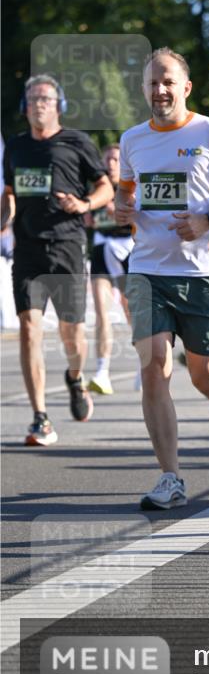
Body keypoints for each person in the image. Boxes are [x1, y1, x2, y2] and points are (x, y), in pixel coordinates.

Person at [115, 48, 209, 509]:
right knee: (154, 366)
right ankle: (170, 477)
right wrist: (123, 210)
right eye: (152, 83)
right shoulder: (133, 139)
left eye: (168, 82)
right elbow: (127, 193)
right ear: (144, 89)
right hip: (147, 269)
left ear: (185, 87)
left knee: (205, 375)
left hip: (201, 273)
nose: (160, 90)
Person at [1, 75, 114, 445]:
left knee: (72, 333)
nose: (38, 105)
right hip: (28, 249)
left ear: (58, 105)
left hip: (66, 245)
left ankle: (76, 378)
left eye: (46, 99)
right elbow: (10, 194)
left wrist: (83, 204)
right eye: (32, 99)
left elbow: (105, 186)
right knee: (30, 329)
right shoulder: (15, 147)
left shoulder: (77, 142)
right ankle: (40, 418)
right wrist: (3, 220)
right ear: (24, 107)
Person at [87, 143, 134, 395]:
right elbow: (88, 220)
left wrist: (119, 212)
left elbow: (141, 217)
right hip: (102, 247)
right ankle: (102, 371)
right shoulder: (97, 188)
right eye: (108, 160)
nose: (111, 164)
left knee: (131, 312)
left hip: (127, 248)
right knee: (101, 312)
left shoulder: (131, 187)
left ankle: (143, 364)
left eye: (116, 160)